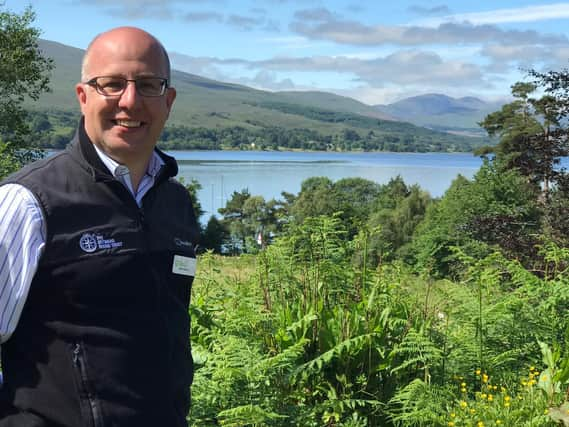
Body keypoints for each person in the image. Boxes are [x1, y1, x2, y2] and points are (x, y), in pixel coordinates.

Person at [0, 27, 199, 427]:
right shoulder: (29, 202)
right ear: (83, 96)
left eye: (148, 85)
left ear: (169, 100)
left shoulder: (175, 203)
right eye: (111, 85)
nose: (130, 101)